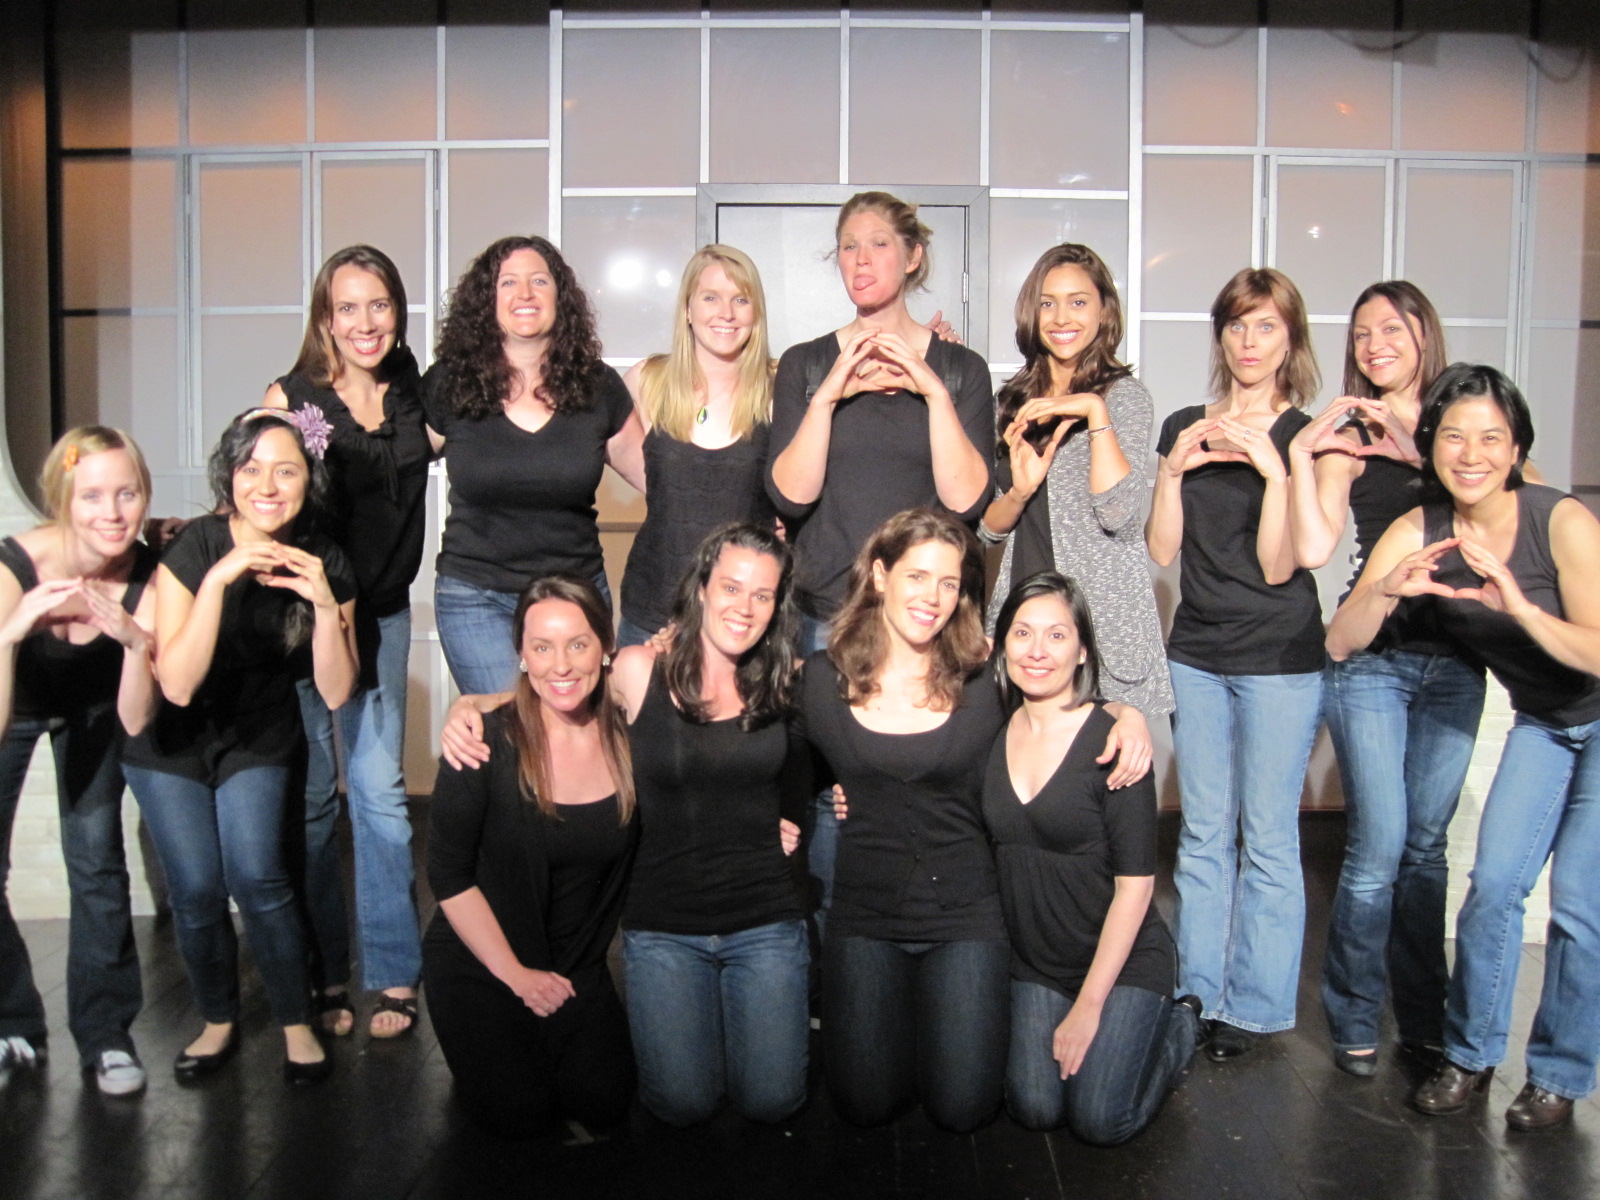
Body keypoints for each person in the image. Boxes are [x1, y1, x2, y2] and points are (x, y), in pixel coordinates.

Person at [439, 523, 809, 1126]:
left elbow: (804, 762)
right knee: (680, 1106)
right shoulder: (641, 669)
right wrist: (472, 703)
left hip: (764, 919)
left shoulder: (781, 678)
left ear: (776, 604)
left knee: (773, 1102)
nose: (744, 606)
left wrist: (791, 818)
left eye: (762, 594)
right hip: (664, 926)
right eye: (731, 587)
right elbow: (562, 681)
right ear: (703, 588)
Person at [1328, 364, 1600, 1131]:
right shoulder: (1420, 530)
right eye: (1454, 436)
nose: (1471, 453)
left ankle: (1557, 1076)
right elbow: (1341, 641)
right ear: (1431, 445)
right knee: (1492, 889)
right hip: (1546, 723)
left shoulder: (1561, 521)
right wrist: (1389, 589)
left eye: (1491, 438)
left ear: (1516, 449)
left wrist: (1517, 605)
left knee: (1581, 908)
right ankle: (1472, 1057)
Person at [766, 192, 993, 920]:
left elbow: (967, 502)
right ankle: (835, 973)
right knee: (824, 803)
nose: (860, 262)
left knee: (910, 794)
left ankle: (911, 949)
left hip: (921, 618)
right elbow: (790, 497)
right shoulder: (805, 364)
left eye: (878, 246)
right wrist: (832, 392)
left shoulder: (960, 369)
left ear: (913, 256)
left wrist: (927, 386)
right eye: (848, 247)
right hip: (823, 616)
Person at [122, 409, 358, 1085]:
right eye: (251, 468)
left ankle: (295, 1024)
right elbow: (179, 683)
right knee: (196, 888)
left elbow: (337, 692)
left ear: (307, 478)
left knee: (258, 874)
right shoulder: (195, 547)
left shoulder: (325, 557)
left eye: (286, 470)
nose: (268, 484)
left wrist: (320, 602)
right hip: (173, 739)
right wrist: (224, 577)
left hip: (258, 731)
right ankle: (218, 1020)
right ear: (230, 476)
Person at [1288, 282, 1485, 1076]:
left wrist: (1422, 443)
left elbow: (1520, 488)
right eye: (1362, 332)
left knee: (1428, 850)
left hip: (1458, 658)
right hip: (1373, 656)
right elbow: (1313, 545)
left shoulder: (1464, 417)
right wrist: (1305, 457)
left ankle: (1426, 1016)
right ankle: (1354, 1013)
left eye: (1391, 329)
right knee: (1378, 845)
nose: (1375, 344)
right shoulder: (1349, 432)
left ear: (1423, 335)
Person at [1145, 267, 1324, 1061]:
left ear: (1290, 339)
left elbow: (1283, 565)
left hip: (1280, 655)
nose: (1249, 343)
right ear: (1220, 334)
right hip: (1198, 650)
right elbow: (1160, 547)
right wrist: (1173, 467)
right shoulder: (1187, 422)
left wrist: (1276, 467)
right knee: (1204, 832)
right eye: (1237, 326)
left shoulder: (1303, 431)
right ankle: (1198, 994)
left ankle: (1253, 1007)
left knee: (1271, 838)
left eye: (1267, 328)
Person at [264, 244, 430, 1039]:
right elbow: (255, 487)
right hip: (301, 620)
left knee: (380, 798)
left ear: (398, 312)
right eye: (349, 307)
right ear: (324, 318)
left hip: (384, 614)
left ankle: (394, 974)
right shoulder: (297, 401)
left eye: (381, 305)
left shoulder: (414, 394)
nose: (366, 323)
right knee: (312, 802)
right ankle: (325, 974)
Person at [800, 508, 1008, 1132]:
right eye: (918, 576)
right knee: (864, 1105)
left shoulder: (987, 679)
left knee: (963, 1110)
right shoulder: (821, 680)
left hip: (966, 914)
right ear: (880, 573)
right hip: (866, 912)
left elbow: (1067, 712)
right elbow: (757, 746)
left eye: (949, 583)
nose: (934, 597)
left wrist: (1127, 717)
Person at [984, 572, 1199, 1144]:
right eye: (1022, 633)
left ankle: (1179, 1029)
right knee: (1035, 1108)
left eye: (1057, 636)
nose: (1037, 650)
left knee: (1101, 1120)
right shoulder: (990, 728)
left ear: (1082, 651)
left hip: (1120, 963)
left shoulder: (1116, 743)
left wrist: (1088, 1007)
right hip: (1037, 964)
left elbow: (1137, 886)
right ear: (1001, 643)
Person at [423, 576, 637, 1140]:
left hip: (575, 963)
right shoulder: (482, 741)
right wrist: (516, 976)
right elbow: (447, 874)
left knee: (606, 1102)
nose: (560, 665)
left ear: (606, 646)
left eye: (578, 643)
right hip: (484, 961)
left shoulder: (629, 737)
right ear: (521, 655)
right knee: (520, 1115)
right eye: (541, 647)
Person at [0, 428, 158, 1095]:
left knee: (95, 862)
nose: (113, 512)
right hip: (16, 704)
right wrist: (8, 638)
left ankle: (105, 1036)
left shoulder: (148, 573)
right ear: (63, 501)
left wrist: (135, 642)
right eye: (92, 495)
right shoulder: (14, 567)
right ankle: (13, 1025)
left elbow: (134, 719)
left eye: (128, 493)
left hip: (98, 709)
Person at [423, 235, 646, 695]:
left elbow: (665, 482)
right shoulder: (449, 383)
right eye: (509, 282)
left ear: (560, 298)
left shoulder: (596, 385)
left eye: (539, 281)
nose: (525, 294)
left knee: (575, 739)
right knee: (512, 739)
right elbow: (389, 474)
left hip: (575, 596)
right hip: (474, 596)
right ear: (488, 300)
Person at [980, 243, 1172, 720]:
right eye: (1048, 302)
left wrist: (1093, 409)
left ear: (1103, 309)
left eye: (1078, 301)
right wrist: (1022, 490)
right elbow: (989, 530)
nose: (1061, 316)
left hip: (1099, 621)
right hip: (1024, 611)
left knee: (1099, 781)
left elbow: (1119, 513)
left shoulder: (1125, 399)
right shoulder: (1012, 400)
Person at [617, 246, 777, 648]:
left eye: (741, 300)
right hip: (653, 612)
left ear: (755, 312)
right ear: (688, 308)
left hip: (745, 622)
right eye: (711, 297)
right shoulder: (646, 380)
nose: (726, 312)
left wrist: (924, 351)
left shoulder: (780, 387)